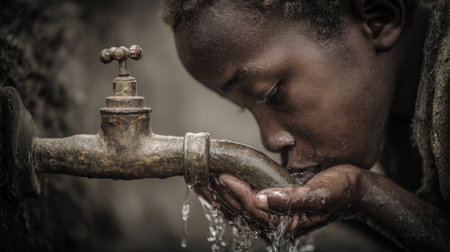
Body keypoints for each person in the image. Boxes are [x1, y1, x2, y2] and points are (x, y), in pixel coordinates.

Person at [162, 0, 449, 251]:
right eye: (244, 109)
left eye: (271, 93)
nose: (271, 141)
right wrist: (343, 207)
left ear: (379, 20)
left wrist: (366, 194)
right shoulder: (401, 116)